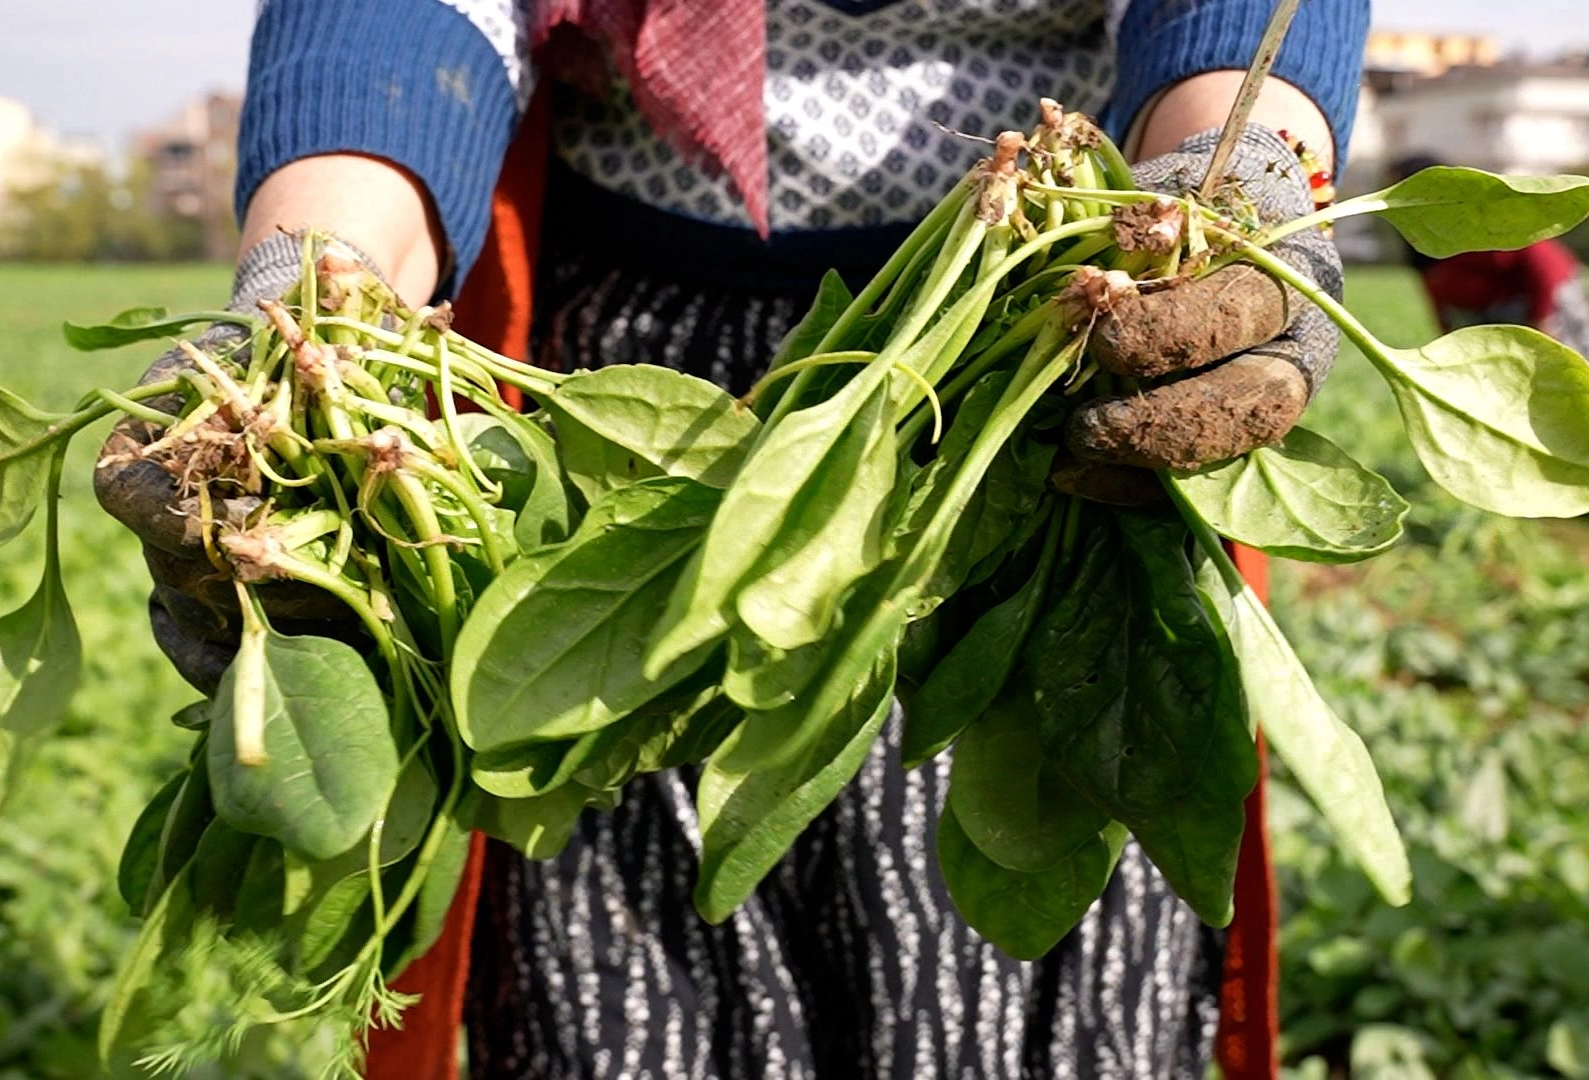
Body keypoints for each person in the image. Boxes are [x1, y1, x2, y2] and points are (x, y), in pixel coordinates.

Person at [96, 1, 1367, 1076]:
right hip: (621, 410)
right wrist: (320, 287)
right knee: (618, 973)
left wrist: (1236, 173)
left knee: (1014, 935)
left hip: (1036, 370)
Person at [1392, 154, 1589, 357]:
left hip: (1543, 298)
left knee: (1570, 356)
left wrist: (1542, 319)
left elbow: (1545, 265)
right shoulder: (1420, 240)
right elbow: (1434, 289)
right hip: (1484, 312)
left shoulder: (1479, 223)